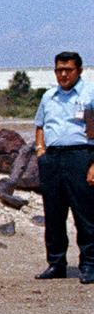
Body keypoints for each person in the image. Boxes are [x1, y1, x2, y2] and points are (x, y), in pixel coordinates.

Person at [33, 51, 94, 284]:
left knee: (85, 215)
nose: (63, 74)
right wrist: (41, 151)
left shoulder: (90, 94)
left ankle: (89, 264)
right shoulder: (49, 97)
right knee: (54, 215)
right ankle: (56, 263)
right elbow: (40, 125)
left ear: (79, 70)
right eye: (59, 70)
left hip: (80, 156)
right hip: (53, 159)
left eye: (68, 69)